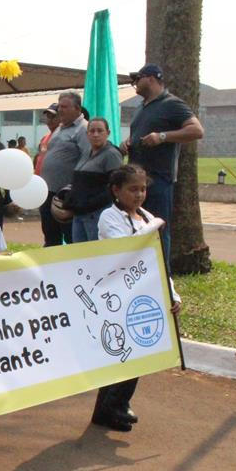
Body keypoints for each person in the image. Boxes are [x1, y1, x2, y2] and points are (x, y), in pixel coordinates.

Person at [94, 164, 182, 431]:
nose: (139, 195)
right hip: (116, 294)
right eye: (133, 189)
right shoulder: (109, 218)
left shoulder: (146, 218)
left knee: (140, 350)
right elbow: (128, 249)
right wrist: (154, 226)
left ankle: (112, 407)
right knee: (122, 351)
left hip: (143, 295)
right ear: (116, 190)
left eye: (143, 189)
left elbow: (156, 260)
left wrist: (172, 293)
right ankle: (113, 404)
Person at [122, 63, 205, 265]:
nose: (134, 83)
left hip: (158, 180)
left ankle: (162, 277)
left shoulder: (171, 103)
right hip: (135, 179)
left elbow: (197, 130)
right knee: (137, 229)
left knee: (157, 228)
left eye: (137, 78)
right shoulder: (141, 107)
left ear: (151, 78)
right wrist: (128, 142)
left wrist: (162, 136)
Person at [39, 91, 90, 246]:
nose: (60, 110)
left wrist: (74, 191)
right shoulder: (60, 128)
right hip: (47, 192)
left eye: (64, 107)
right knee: (50, 237)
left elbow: (86, 159)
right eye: (59, 106)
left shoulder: (83, 129)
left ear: (77, 108)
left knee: (70, 237)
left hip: (65, 196)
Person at [63, 117, 124, 243]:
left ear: (108, 133)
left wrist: (91, 204)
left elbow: (115, 187)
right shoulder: (86, 152)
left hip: (97, 214)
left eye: (100, 131)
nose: (96, 134)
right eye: (92, 131)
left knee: (94, 252)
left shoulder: (111, 154)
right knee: (80, 253)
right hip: (79, 214)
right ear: (87, 134)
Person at [34, 104, 59, 177]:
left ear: (60, 117)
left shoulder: (62, 137)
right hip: (40, 181)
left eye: (53, 116)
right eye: (48, 116)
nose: (49, 120)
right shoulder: (45, 138)